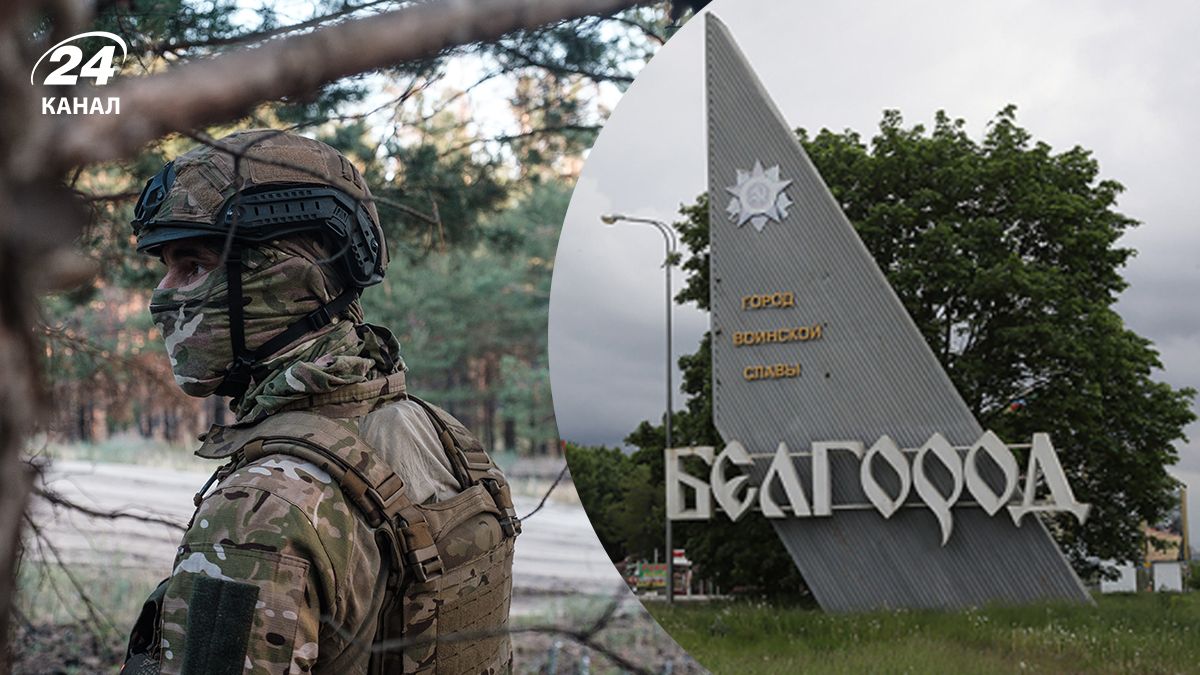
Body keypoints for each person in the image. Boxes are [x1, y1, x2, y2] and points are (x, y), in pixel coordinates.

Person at [121, 129, 520, 675]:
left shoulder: (261, 509)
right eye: (164, 267)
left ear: (286, 281)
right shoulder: (445, 437)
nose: (161, 295)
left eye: (193, 266)